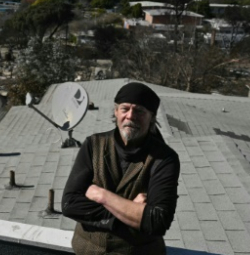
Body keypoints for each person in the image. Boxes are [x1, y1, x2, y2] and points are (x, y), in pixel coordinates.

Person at [62, 82, 180, 254]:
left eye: (139, 111)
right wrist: (131, 210)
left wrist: (103, 196)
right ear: (116, 112)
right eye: (125, 109)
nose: (130, 116)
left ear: (152, 117)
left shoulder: (164, 159)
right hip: (88, 250)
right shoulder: (93, 145)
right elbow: (69, 204)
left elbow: (157, 222)